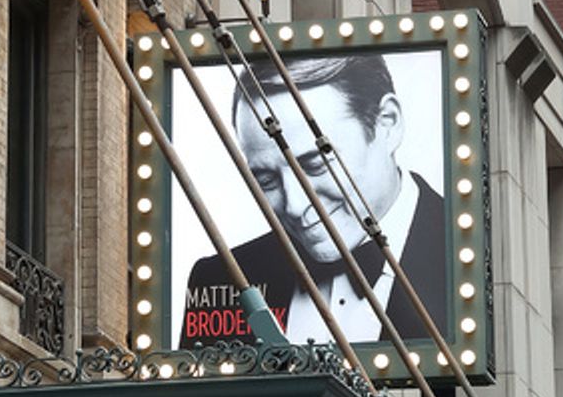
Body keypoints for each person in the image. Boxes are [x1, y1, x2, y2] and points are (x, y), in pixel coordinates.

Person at [179, 51, 447, 349]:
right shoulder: (218, 278)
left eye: (316, 165)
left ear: (388, 123)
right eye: (266, 179)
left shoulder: (462, 255)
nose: (294, 205)